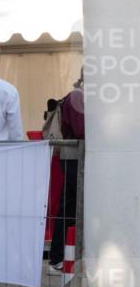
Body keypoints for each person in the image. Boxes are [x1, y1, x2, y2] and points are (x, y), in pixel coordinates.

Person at [48, 73, 84, 267]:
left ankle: (58, 257)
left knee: (68, 205)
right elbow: (81, 130)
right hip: (73, 158)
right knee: (74, 206)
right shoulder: (78, 96)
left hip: (73, 158)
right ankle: (61, 257)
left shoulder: (80, 95)